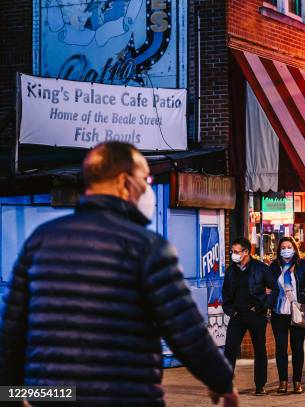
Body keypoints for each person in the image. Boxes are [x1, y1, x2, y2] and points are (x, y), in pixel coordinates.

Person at [0, 141, 238, 406]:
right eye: (145, 178)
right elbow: (185, 329)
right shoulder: (148, 247)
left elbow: (12, 330)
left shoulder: (39, 240)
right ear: (125, 182)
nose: (147, 187)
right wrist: (223, 383)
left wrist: (10, 394)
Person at [222, 237, 276, 396]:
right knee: (230, 349)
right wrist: (231, 310)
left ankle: (260, 385)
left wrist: (262, 307)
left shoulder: (261, 268)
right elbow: (225, 293)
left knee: (260, 350)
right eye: (232, 252)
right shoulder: (231, 270)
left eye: (237, 252)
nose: (234, 254)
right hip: (237, 315)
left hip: (256, 315)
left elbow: (274, 289)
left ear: (246, 252)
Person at [269, 237, 305, 394]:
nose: (286, 249)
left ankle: (297, 382)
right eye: (283, 247)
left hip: (299, 309)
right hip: (279, 311)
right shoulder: (274, 266)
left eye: (289, 246)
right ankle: (283, 382)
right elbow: (267, 285)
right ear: (279, 250)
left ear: (294, 248)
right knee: (281, 348)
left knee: (298, 347)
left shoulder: (302, 264)